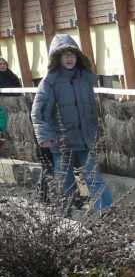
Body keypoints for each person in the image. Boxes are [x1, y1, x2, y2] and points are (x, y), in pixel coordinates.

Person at [31, 34, 113, 212]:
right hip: (61, 141)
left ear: (78, 57)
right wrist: (44, 136)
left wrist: (95, 131)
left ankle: (106, 213)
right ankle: (66, 219)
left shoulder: (85, 79)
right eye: (64, 54)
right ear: (57, 58)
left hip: (85, 138)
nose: (69, 58)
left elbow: (91, 110)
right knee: (64, 181)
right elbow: (37, 112)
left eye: (72, 54)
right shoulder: (49, 82)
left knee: (94, 177)